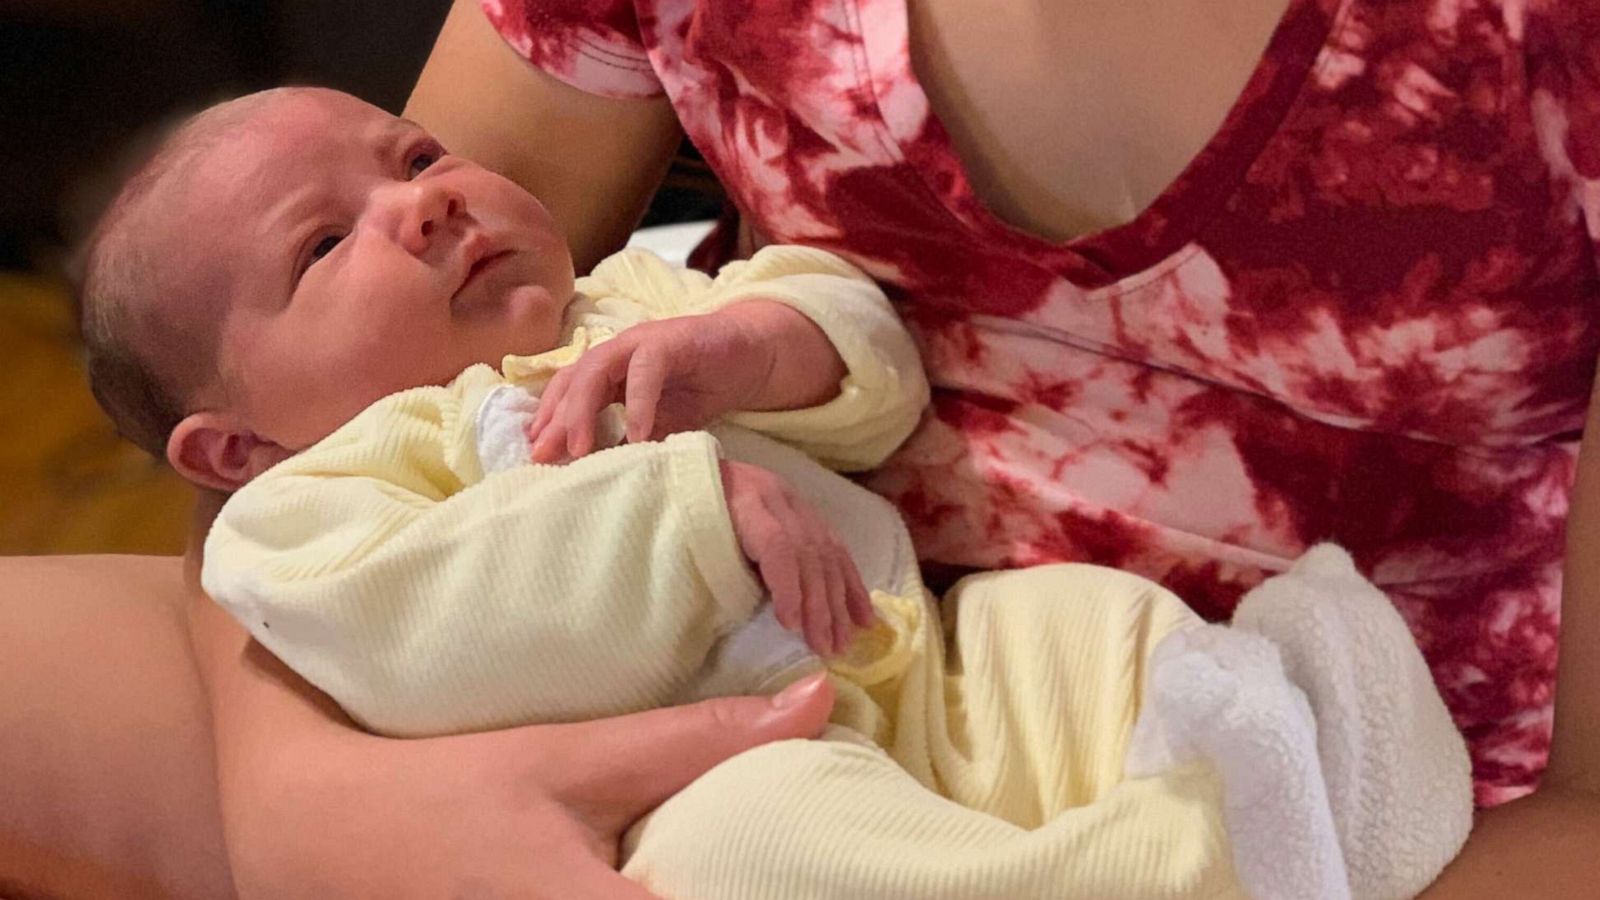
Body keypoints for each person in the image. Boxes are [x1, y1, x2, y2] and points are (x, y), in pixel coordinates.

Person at [3, 0, 1599, 896]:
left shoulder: (613, 299)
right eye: (324, 241)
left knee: (1138, 659)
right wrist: (304, 796)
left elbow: (843, 338)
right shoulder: (337, 472)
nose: (423, 193)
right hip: (718, 749)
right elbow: (337, 585)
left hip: (972, 656)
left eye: (414, 157)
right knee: (750, 839)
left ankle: (1251, 805)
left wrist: (761, 343)